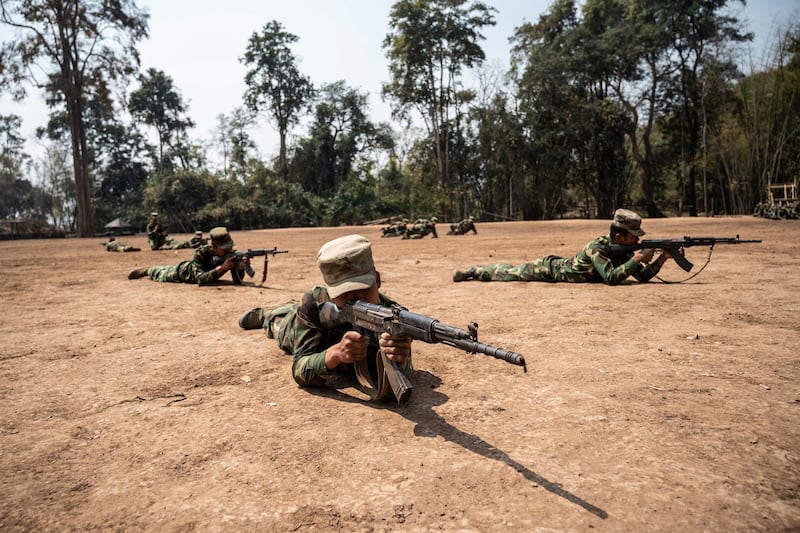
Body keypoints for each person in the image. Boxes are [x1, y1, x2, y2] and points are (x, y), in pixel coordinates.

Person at [238, 234, 413, 399]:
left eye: (364, 288)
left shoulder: (393, 316)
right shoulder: (314, 305)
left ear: (377, 280)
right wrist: (335, 354)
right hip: (292, 326)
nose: (356, 298)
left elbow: (403, 374)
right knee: (281, 325)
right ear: (330, 292)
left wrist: (400, 358)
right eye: (344, 293)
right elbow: (300, 370)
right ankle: (266, 314)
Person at [452, 208, 674, 285]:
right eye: (633, 236)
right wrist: (637, 258)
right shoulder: (597, 247)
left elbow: (642, 276)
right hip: (551, 270)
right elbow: (611, 278)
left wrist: (661, 258)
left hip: (560, 271)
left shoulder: (624, 251)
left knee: (511, 271)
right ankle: (474, 271)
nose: (637, 241)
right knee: (509, 272)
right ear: (619, 235)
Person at [128, 226, 248, 285]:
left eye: (229, 247)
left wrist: (240, 268)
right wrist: (222, 268)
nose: (228, 250)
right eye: (224, 248)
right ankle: (147, 270)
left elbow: (237, 281)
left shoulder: (230, 255)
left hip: (199, 273)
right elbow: (200, 279)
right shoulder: (201, 252)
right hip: (182, 273)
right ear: (214, 246)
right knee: (160, 273)